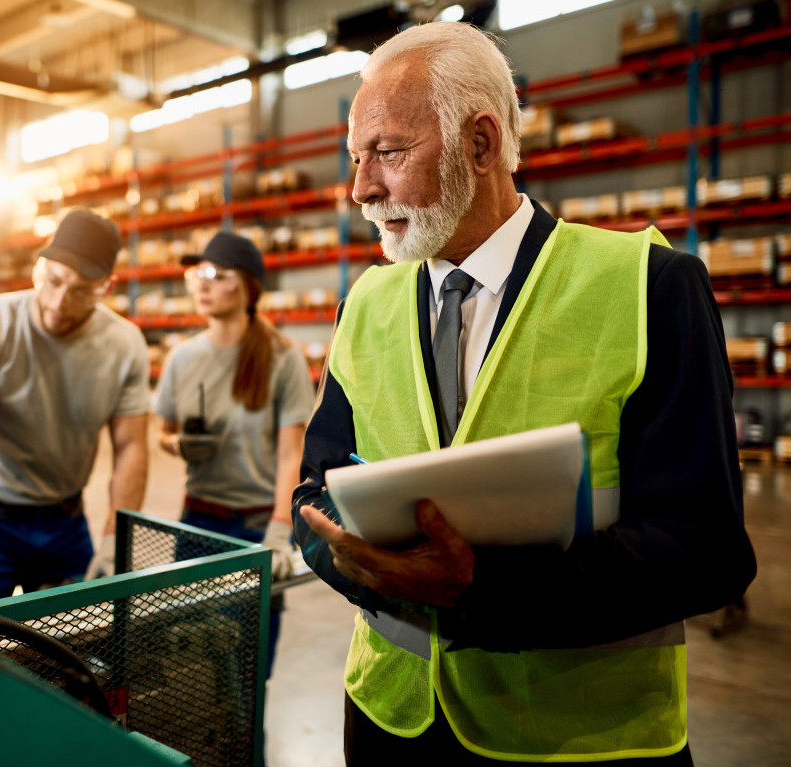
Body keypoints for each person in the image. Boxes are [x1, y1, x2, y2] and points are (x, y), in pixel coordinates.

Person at [291, 22, 757, 766]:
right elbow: (312, 495)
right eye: (355, 157)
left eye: (387, 151)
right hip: (390, 723)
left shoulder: (649, 288)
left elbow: (707, 551)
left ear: (481, 145)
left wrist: (480, 586)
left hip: (575, 740)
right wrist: (361, 564)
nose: (361, 189)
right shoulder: (367, 305)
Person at [0, 207, 150, 606]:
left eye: (82, 290)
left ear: (107, 285)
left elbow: (131, 447)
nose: (58, 302)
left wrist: (114, 542)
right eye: (52, 281)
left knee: (78, 648)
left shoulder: (124, 344)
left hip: (65, 523)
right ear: (40, 266)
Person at [154, 231, 315, 676]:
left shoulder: (282, 359)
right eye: (197, 274)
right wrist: (178, 445)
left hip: (254, 529)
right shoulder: (182, 359)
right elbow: (162, 431)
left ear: (247, 286)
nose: (201, 284)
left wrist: (279, 535)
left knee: (248, 674)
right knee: (185, 674)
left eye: (216, 275)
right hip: (196, 528)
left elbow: (291, 457)